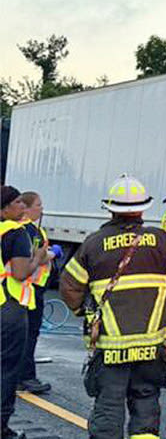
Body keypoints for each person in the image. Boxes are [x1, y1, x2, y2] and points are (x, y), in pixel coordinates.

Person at [60, 174, 166, 439]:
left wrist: (85, 312)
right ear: (143, 208)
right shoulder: (161, 240)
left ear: (111, 208)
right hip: (151, 346)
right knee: (146, 404)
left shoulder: (93, 243)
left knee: (109, 407)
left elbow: (69, 287)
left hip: (111, 347)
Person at [1, 185, 44, 439]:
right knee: (7, 370)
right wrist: (38, 257)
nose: (22, 207)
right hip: (10, 307)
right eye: (17, 202)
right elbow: (20, 272)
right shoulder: (16, 233)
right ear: (4, 208)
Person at [17, 192, 63, 394]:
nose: (41, 208)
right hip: (30, 288)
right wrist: (53, 253)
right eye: (37, 205)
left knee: (23, 333)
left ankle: (20, 375)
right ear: (25, 208)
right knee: (29, 333)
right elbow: (36, 256)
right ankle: (26, 376)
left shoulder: (28, 229)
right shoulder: (29, 230)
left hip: (28, 287)